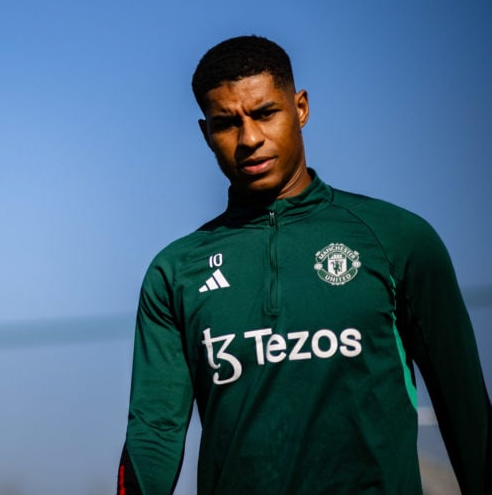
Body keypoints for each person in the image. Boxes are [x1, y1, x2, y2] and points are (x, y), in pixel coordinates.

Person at [117, 35, 490, 494]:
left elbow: (468, 415)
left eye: (265, 113)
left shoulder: (399, 240)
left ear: (301, 108)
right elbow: (153, 433)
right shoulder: (175, 271)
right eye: (226, 123)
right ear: (205, 133)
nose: (249, 138)